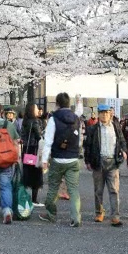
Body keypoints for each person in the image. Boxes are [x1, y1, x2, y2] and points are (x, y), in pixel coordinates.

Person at [38, 93, 82, 227]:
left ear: (57, 104)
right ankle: (76, 218)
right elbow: (79, 111)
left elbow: (48, 141)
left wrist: (44, 159)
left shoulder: (53, 119)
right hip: (73, 159)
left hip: (57, 159)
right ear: (69, 104)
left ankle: (51, 214)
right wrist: (79, 101)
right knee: (73, 189)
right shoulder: (76, 118)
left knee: (53, 188)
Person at [85, 104, 127, 227]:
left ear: (110, 114)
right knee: (98, 190)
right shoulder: (93, 129)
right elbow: (87, 146)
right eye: (102, 113)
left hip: (113, 162)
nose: (104, 115)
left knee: (114, 190)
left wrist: (124, 150)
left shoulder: (115, 126)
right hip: (98, 162)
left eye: (107, 112)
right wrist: (87, 161)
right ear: (98, 114)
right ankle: (99, 212)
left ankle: (115, 216)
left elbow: (122, 140)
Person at [21, 103, 44, 206]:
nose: (37, 110)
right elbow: (39, 136)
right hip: (34, 150)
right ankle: (34, 200)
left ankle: (23, 197)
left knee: (26, 174)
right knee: (36, 175)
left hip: (26, 150)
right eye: (35, 108)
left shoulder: (25, 121)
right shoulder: (35, 121)